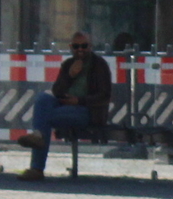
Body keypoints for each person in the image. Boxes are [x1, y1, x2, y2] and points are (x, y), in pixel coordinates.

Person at [17, 32, 113, 178]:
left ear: (90, 46)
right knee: (43, 98)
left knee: (45, 118)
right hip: (66, 103)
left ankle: (37, 166)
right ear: (71, 47)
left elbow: (104, 96)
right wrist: (70, 75)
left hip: (88, 111)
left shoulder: (99, 65)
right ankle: (38, 141)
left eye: (84, 46)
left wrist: (79, 101)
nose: (80, 49)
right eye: (76, 46)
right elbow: (57, 90)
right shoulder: (68, 64)